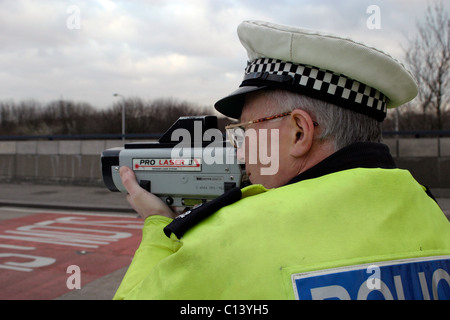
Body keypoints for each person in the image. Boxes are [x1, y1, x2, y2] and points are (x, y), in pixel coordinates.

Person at [114, 20, 450, 300]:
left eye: (245, 132)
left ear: (300, 132)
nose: (241, 154)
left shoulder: (230, 240)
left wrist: (158, 226)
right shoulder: (433, 217)